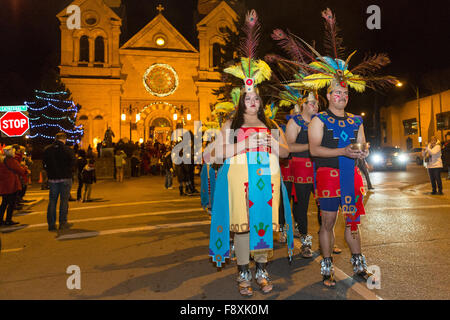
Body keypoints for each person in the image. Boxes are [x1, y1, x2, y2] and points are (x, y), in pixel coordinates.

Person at [209, 9, 295, 297]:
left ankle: (261, 269)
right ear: (240, 102)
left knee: (263, 227)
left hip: (266, 180)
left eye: (256, 97)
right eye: (248, 98)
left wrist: (275, 145)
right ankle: (243, 271)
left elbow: (285, 153)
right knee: (244, 227)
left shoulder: (270, 124)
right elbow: (217, 155)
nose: (253, 101)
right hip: (238, 178)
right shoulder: (230, 125)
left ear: (260, 101)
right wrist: (244, 145)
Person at [43, 132, 76, 231]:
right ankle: (63, 222)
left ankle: (51, 224)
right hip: (65, 177)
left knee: (52, 201)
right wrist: (70, 171)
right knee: (64, 201)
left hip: (53, 179)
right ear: (64, 139)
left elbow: (44, 164)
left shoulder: (47, 150)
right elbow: (74, 163)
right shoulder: (68, 150)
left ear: (55, 138)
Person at [0, 146, 26, 226]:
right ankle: (8, 219)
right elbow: (20, 170)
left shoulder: (2, 160)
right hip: (11, 184)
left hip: (3, 184)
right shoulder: (11, 161)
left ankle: (0, 220)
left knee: (4, 203)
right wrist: (25, 169)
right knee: (11, 203)